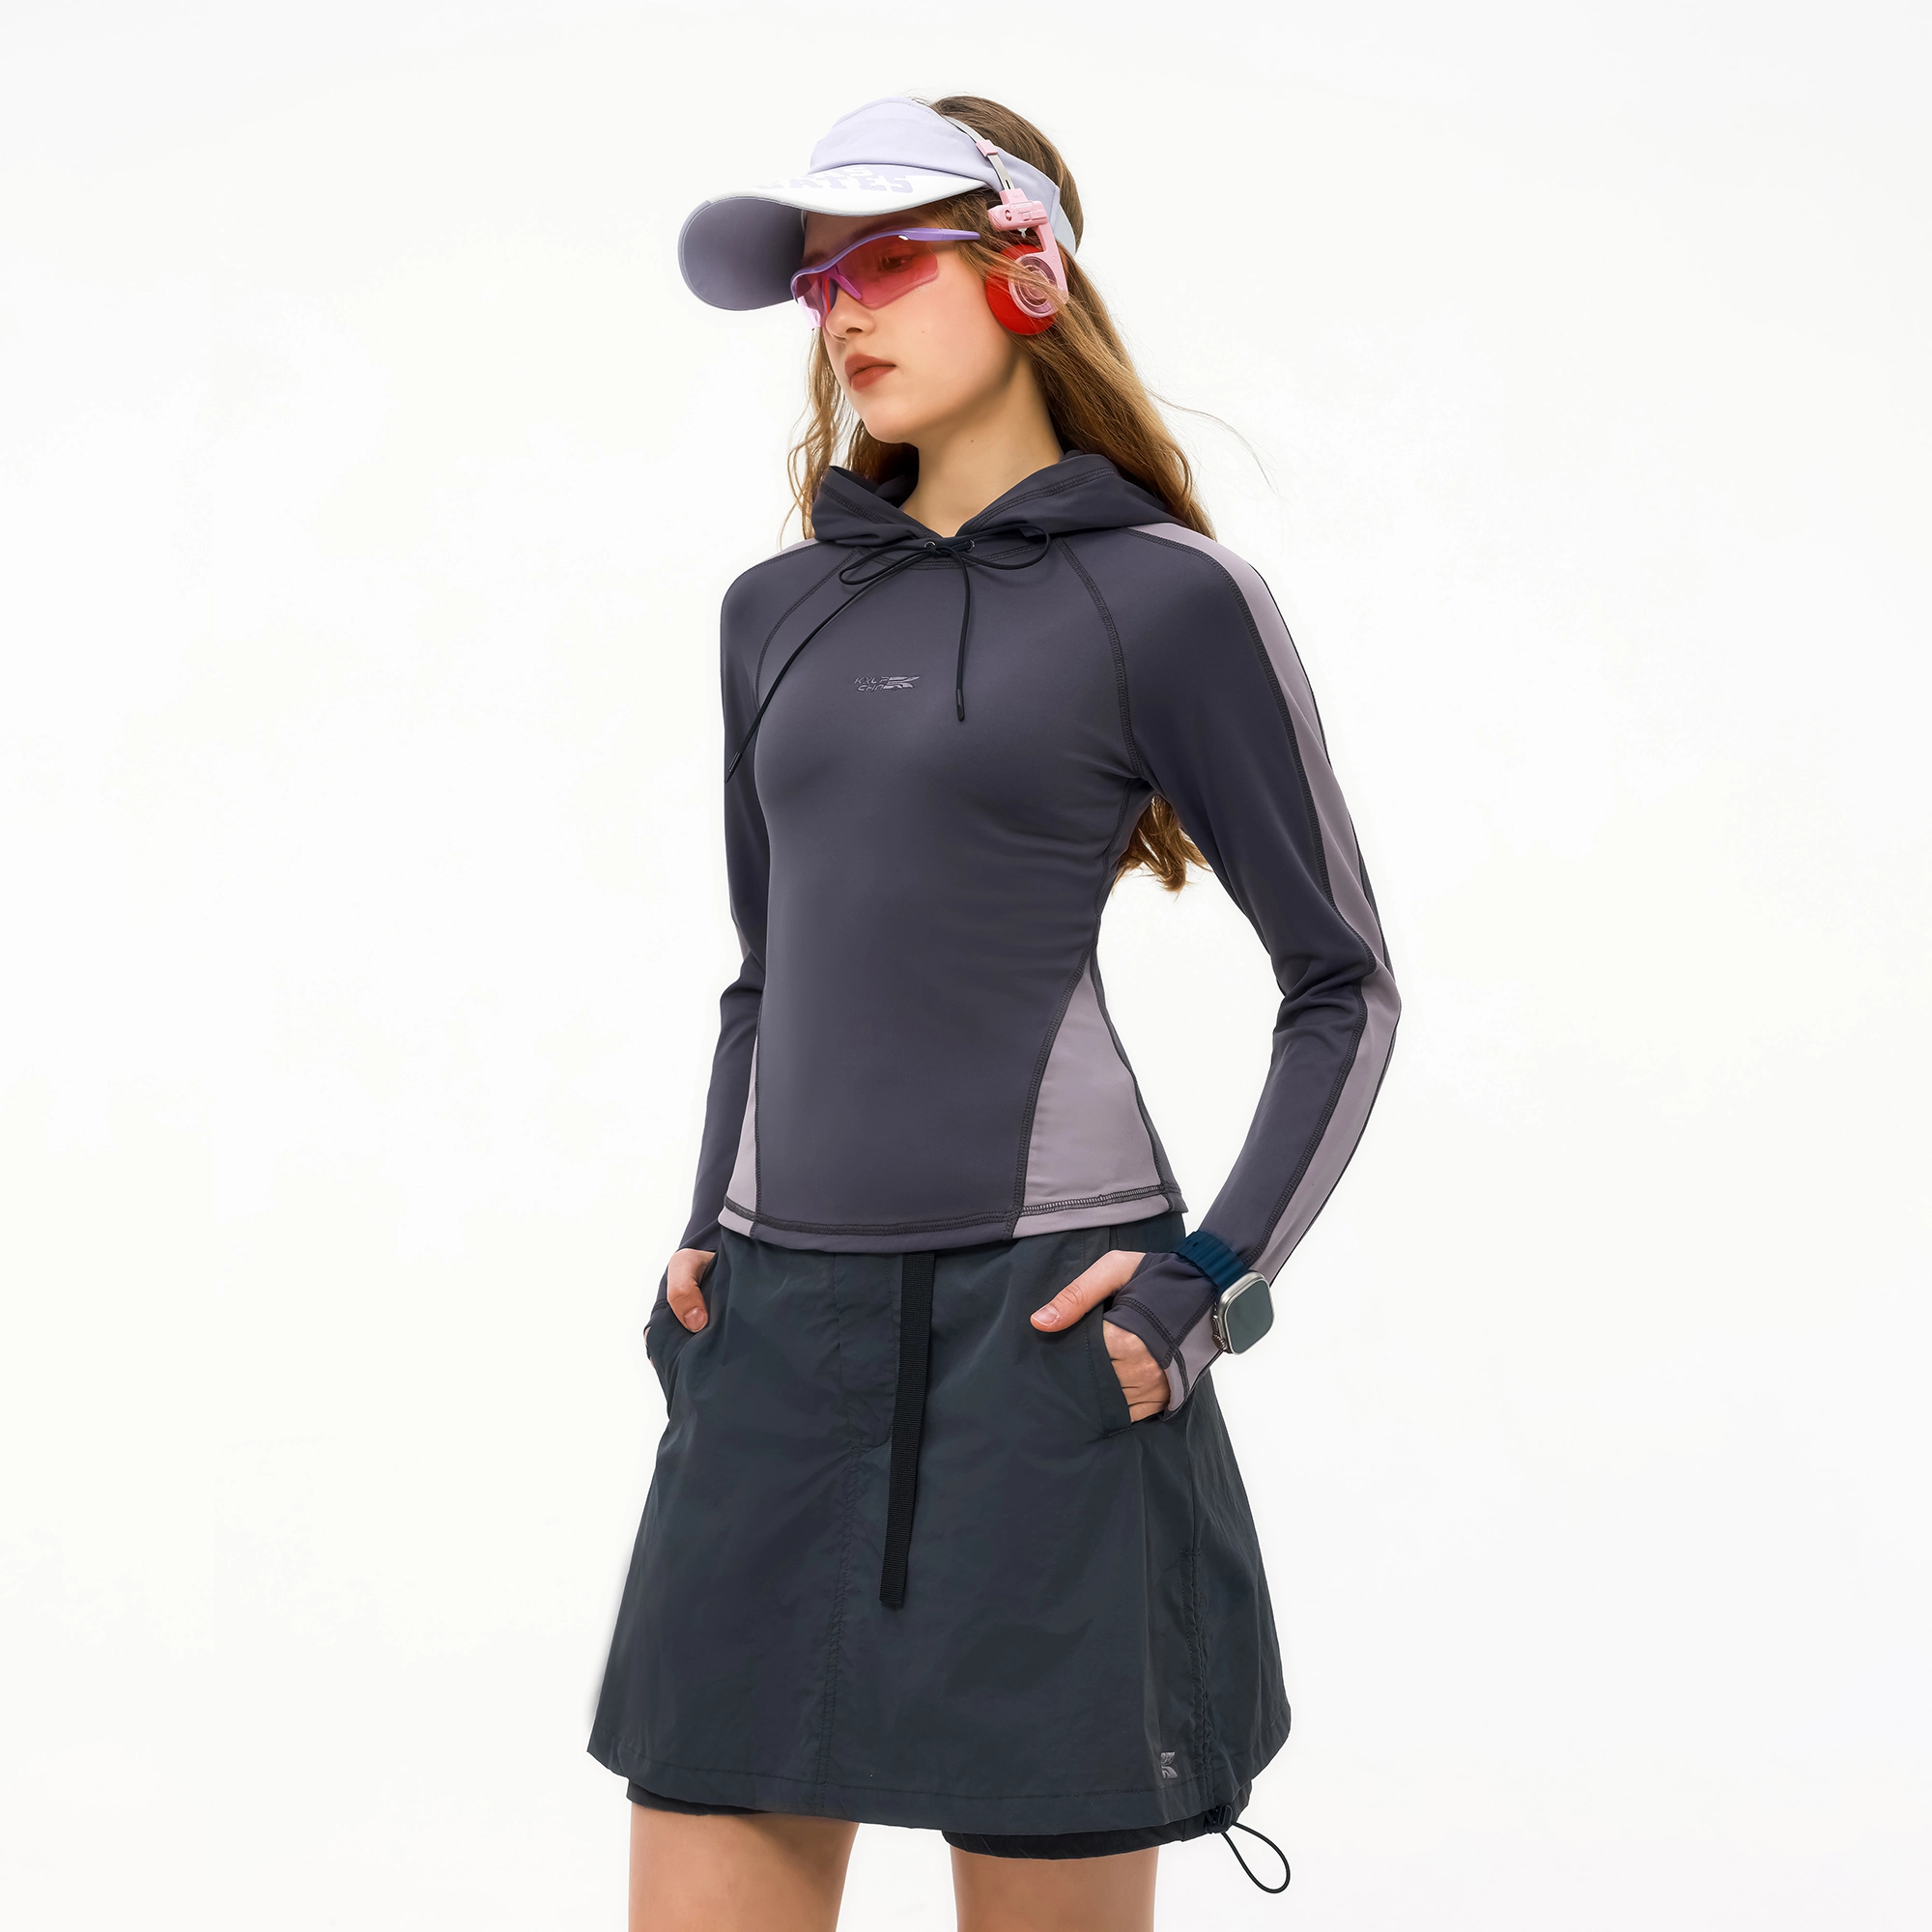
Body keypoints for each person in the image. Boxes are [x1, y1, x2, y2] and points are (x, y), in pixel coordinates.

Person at [588, 93, 1399, 1932]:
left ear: (1027, 269)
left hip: (1042, 1346)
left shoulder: (1171, 602)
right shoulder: (773, 611)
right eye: (819, 286)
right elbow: (766, 968)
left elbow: (1343, 985)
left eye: (887, 261)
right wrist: (705, 1237)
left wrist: (1201, 1291)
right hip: (770, 1345)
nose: (844, 313)